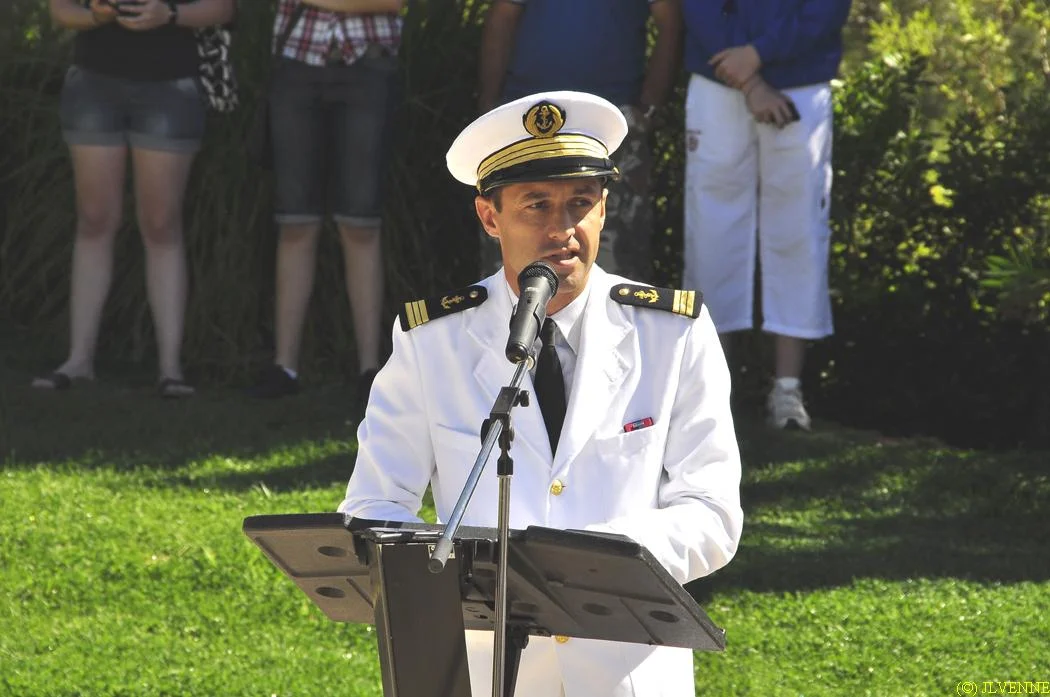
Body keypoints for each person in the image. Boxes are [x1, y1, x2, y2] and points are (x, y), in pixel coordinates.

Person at [339, 91, 743, 697]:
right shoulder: (433, 341)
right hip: (487, 671)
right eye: (536, 206)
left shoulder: (673, 332)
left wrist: (584, 566)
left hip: (625, 673)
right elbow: (373, 505)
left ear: (605, 209)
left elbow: (712, 513)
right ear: (489, 217)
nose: (563, 230)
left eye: (581, 203)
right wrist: (458, 575)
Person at [33, 0, 236, 397]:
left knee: (161, 224)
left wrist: (170, 16)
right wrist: (98, 16)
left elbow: (223, 9)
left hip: (170, 85)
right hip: (94, 82)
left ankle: (170, 368)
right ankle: (79, 359)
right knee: (94, 219)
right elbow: (60, 11)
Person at [681, 0, 853, 430]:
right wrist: (748, 76)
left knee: (798, 230)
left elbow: (825, 10)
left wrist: (757, 56)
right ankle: (709, 390)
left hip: (801, 81)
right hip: (718, 78)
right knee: (710, 230)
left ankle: (788, 390)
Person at [247, 0, 402, 420]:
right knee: (295, 222)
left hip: (369, 67)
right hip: (297, 63)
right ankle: (285, 366)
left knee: (361, 223)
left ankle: (370, 369)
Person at [475, 0, 682, 283]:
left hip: (612, 125)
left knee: (619, 253)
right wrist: (491, 108)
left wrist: (649, 106)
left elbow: (669, 20)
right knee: (514, 251)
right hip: (526, 125)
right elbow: (503, 16)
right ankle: (516, 328)